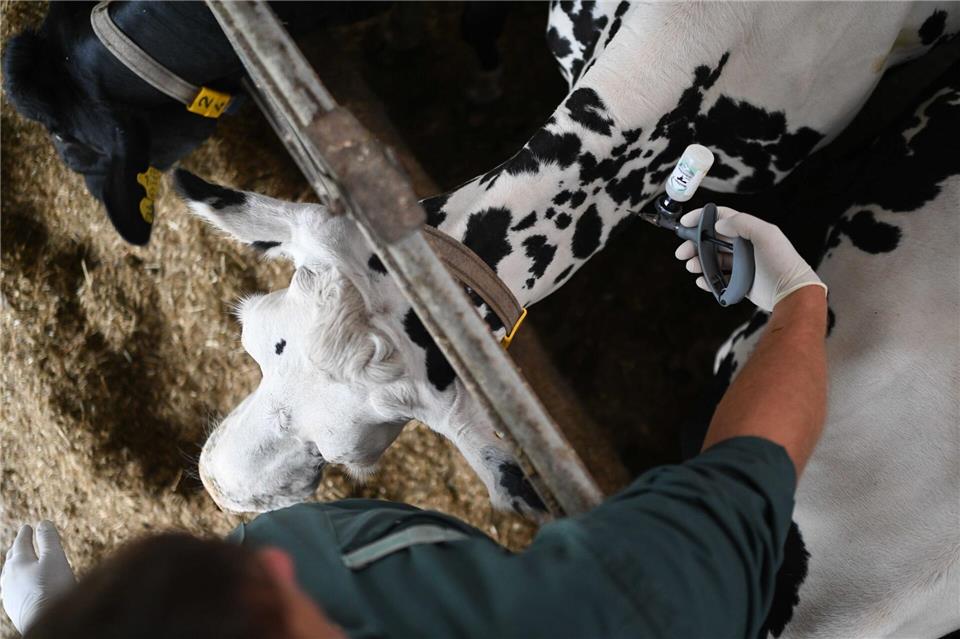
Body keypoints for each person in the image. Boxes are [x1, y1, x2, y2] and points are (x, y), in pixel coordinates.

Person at [1, 208, 829, 639]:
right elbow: (746, 476)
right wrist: (797, 300)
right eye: (269, 601)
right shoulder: (581, 622)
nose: (278, 563)